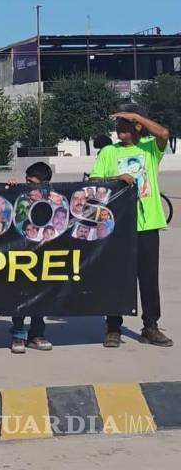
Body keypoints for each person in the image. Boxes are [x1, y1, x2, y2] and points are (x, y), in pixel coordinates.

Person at [91, 110, 173, 348]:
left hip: (147, 224)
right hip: (116, 225)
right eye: (118, 124)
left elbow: (164, 133)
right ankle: (113, 327)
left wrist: (136, 116)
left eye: (126, 125)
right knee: (116, 275)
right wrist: (118, 178)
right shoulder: (109, 152)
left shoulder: (149, 149)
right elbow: (96, 182)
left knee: (148, 278)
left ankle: (150, 326)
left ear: (138, 127)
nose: (120, 129)